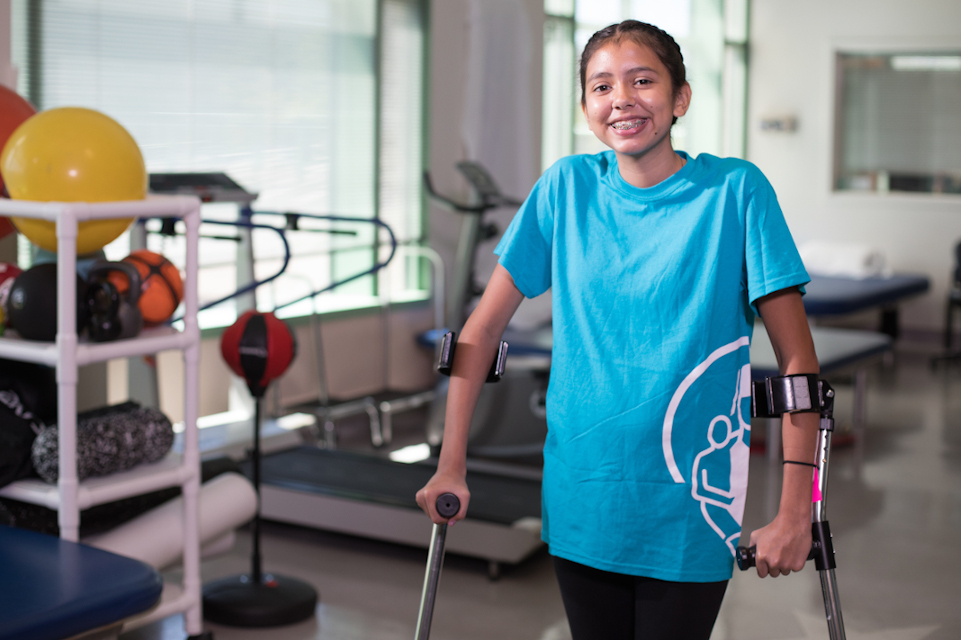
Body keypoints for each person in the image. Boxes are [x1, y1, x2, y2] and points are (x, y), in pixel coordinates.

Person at [416, 19, 820, 640]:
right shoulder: (564, 188)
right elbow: (480, 331)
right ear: (585, 107)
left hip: (691, 502)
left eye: (642, 81)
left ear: (680, 98)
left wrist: (797, 511)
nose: (621, 99)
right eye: (601, 86)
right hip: (584, 492)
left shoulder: (736, 193)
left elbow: (798, 369)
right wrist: (450, 465)